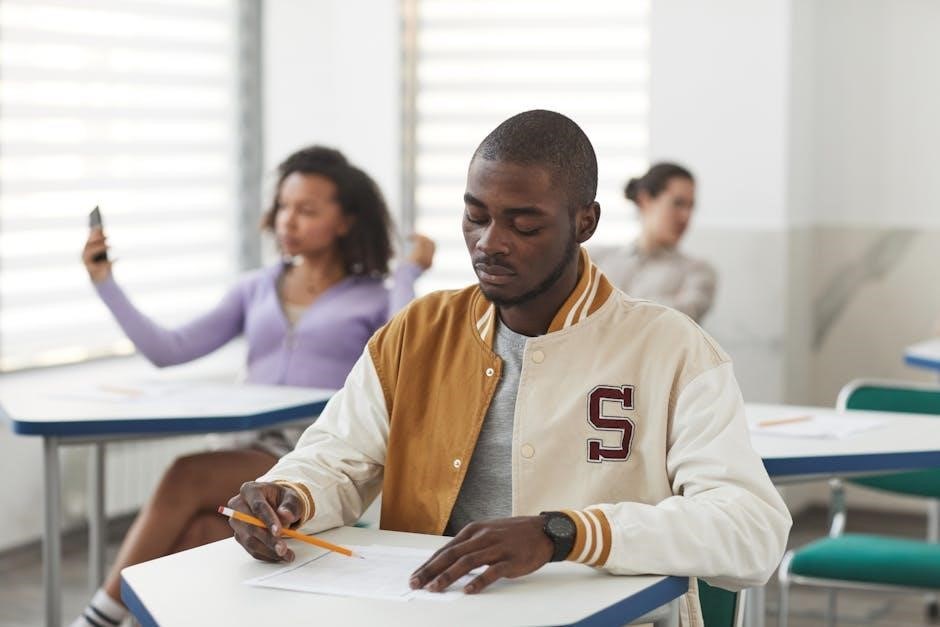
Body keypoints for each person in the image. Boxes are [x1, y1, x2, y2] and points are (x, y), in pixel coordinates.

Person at [228, 112, 790, 626]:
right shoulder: (418, 332)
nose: (490, 243)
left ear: (585, 222)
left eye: (524, 225)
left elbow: (753, 530)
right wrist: (290, 494)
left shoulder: (671, 348)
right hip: (437, 614)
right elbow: (336, 459)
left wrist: (564, 533)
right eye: (475, 217)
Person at [71, 146, 434, 627]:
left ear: (346, 221)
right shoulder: (256, 288)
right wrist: (106, 284)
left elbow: (410, 359)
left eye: (307, 210)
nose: (288, 221)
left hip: (305, 454)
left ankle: (98, 617)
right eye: (283, 206)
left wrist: (407, 273)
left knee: (186, 474)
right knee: (201, 532)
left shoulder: (374, 298)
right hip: (242, 449)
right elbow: (168, 349)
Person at [591, 162, 717, 322]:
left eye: (691, 206)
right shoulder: (595, 259)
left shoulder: (699, 272)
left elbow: (675, 321)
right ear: (645, 200)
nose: (686, 216)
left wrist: (604, 307)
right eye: (678, 203)